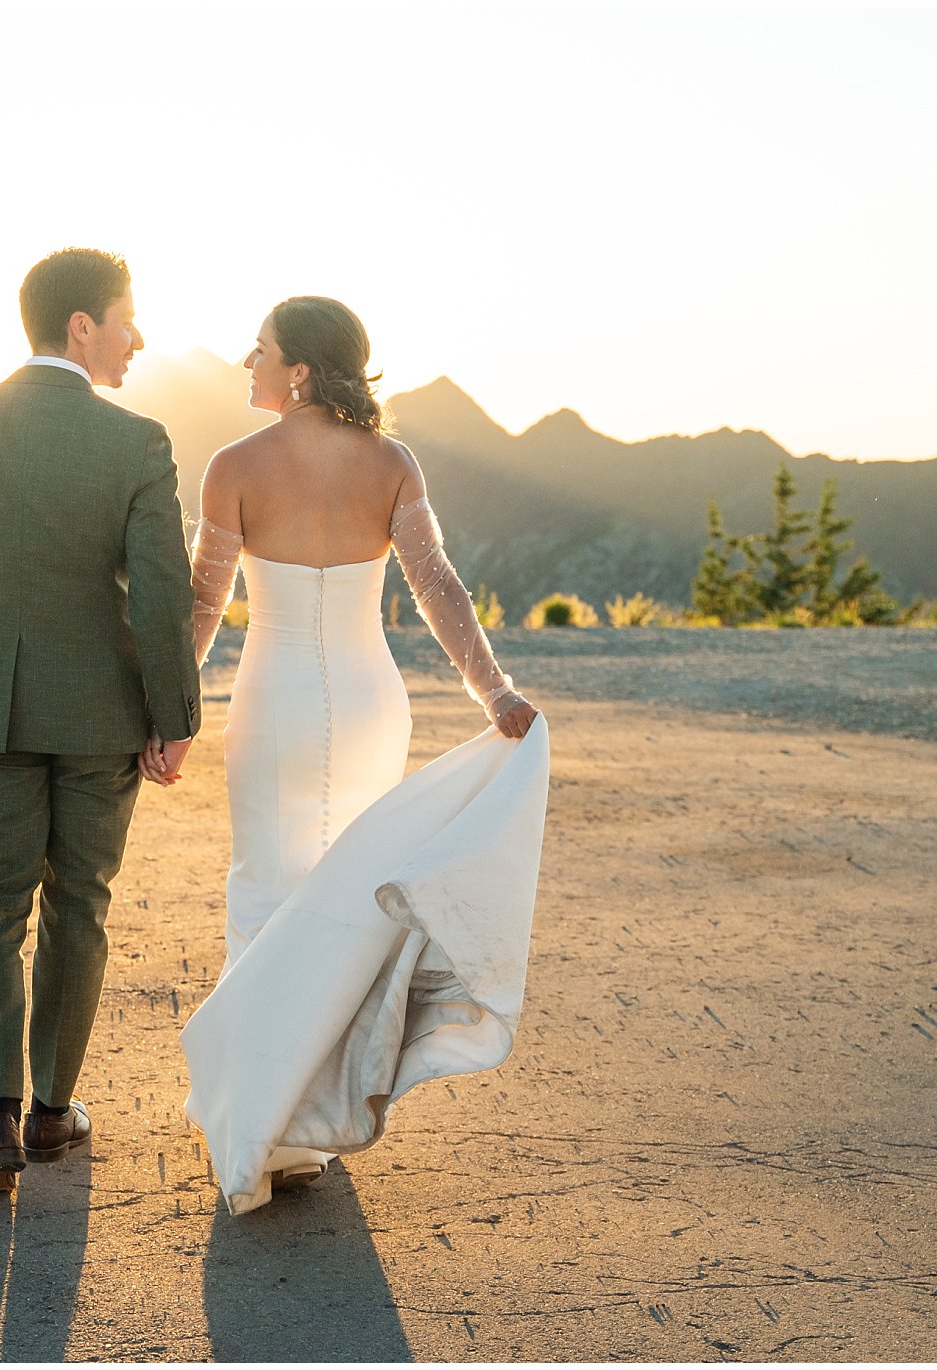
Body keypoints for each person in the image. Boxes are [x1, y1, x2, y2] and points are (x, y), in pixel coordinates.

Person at [170, 296, 552, 1215]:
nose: (245, 361)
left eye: (258, 350)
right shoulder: (391, 462)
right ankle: (309, 1129)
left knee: (265, 892)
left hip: (276, 704)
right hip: (373, 701)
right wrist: (491, 691)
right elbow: (438, 586)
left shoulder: (234, 466)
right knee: (345, 905)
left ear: (298, 368)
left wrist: (168, 718)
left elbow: (202, 609)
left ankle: (261, 1136)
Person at [0, 247, 199, 1193]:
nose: (137, 337)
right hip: (102, 711)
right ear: (82, 327)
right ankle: (53, 1113)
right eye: (126, 318)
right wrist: (173, 712)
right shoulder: (138, 442)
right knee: (80, 905)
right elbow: (158, 595)